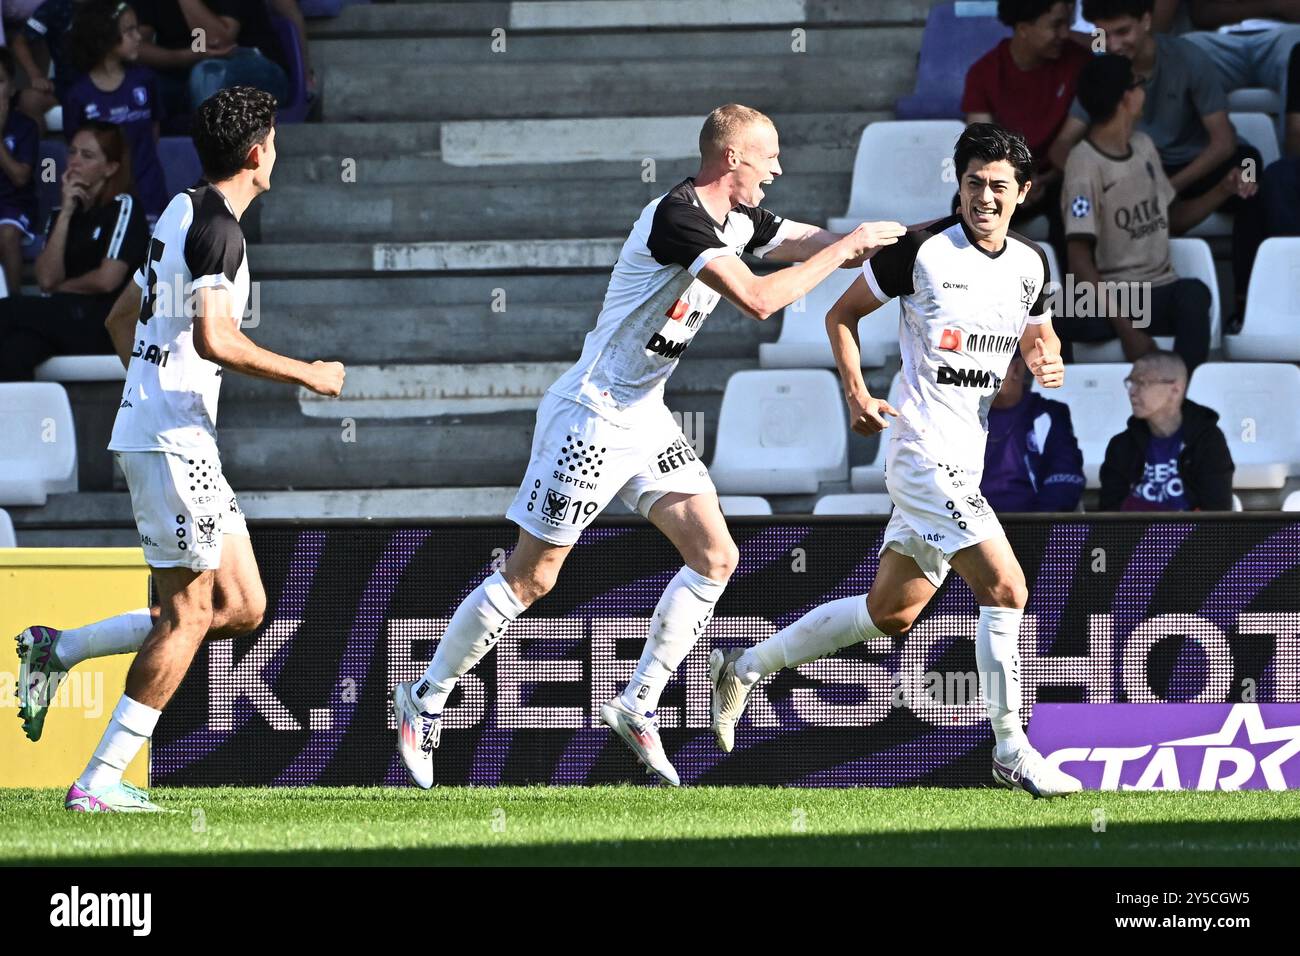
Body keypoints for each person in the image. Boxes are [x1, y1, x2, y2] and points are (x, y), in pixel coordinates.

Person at [390, 103, 904, 789]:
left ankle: (638, 703)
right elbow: (758, 298)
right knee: (531, 578)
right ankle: (422, 700)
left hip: (646, 416)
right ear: (731, 161)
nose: (778, 169)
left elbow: (817, 241)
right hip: (593, 415)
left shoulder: (743, 219)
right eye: (769, 157)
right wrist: (847, 250)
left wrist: (919, 237)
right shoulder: (678, 216)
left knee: (715, 555)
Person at [710, 123, 1084, 799]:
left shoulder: (1032, 264)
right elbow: (841, 315)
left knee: (891, 614)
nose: (985, 197)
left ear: (1023, 194)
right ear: (960, 184)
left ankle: (745, 666)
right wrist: (857, 391)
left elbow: (1039, 328)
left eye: (1000, 187)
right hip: (919, 453)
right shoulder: (922, 251)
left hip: (964, 463)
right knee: (1007, 589)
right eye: (974, 183)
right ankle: (1011, 749)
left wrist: (1045, 354)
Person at [14, 87, 346, 813]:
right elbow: (216, 339)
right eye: (275, 142)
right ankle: (98, 783)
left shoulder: (180, 209)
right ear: (258, 152)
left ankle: (58, 651)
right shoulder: (222, 230)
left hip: (172, 435)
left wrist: (149, 385)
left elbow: (120, 315)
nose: (277, 153)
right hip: (172, 443)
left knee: (244, 605)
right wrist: (310, 374)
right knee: (191, 614)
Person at [1051, 0, 1266, 323]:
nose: (1113, 44)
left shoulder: (1188, 57)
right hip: (1130, 169)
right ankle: (1079, 308)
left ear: (1147, 20)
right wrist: (1102, 180)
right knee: (1064, 195)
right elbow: (1061, 146)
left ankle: (1246, 304)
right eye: (1103, 34)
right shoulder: (1103, 70)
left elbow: (1224, 142)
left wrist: (1162, 188)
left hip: (1190, 167)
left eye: (1123, 31)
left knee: (1250, 167)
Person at [1060, 53, 1244, 368]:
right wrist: (1128, 330)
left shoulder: (1144, 146)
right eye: (1139, 84)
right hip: (1117, 297)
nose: (1144, 91)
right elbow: (1078, 260)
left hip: (1160, 289)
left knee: (1194, 294)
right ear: (1125, 98)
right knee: (1059, 311)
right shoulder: (1084, 164)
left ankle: (1182, 396)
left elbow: (1171, 221)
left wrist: (1224, 190)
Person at [0, 123, 148, 381]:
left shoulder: (124, 206)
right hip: (63, 318)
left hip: (107, 322)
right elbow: (46, 280)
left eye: (87, 156)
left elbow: (107, 280)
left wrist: (61, 287)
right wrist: (67, 212)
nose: (74, 162)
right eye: (72, 152)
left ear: (110, 168)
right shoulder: (60, 214)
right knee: (15, 352)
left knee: (8, 311)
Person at [963, 0, 1092, 254]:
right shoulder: (984, 73)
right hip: (1010, 179)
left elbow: (1076, 139)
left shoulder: (1080, 63)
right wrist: (1018, 181)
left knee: (1070, 199)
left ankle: (1073, 292)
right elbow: (982, 149)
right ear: (1023, 28)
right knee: (965, 202)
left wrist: (1046, 178)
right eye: (1056, 25)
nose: (1065, 34)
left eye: (1067, 23)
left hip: (1062, 176)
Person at [63, 0, 168, 221]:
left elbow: (153, 134)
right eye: (129, 30)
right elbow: (77, 151)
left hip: (150, 195)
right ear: (105, 36)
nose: (138, 37)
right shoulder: (78, 95)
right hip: (101, 202)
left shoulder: (145, 80)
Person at [1099, 349, 1234, 509]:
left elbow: (1217, 514)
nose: (1132, 391)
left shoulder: (1208, 441)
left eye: (1142, 383)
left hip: (1192, 534)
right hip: (1134, 534)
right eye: (1130, 382)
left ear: (1175, 390)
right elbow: (1109, 515)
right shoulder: (1121, 445)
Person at [132, 0, 289, 121]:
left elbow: (218, 41)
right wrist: (182, 57)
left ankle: (212, 159)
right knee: (135, 86)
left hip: (254, 67)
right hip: (185, 71)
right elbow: (135, 46)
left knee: (207, 74)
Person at [980, 353, 1086, 511]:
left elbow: (1066, 477)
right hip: (972, 526)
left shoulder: (1049, 413)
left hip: (1032, 526)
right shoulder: (964, 414)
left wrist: (1036, 526)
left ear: (1016, 369)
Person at [0, 48, 40, 296]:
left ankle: (13, 307)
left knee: (7, 233)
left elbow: (20, 176)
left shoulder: (25, 127)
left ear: (11, 88)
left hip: (15, 206)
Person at [12, 0, 87, 131]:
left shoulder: (111, 6)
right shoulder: (54, 6)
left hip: (107, 81)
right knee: (30, 100)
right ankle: (45, 151)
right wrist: (35, 75)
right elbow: (19, 41)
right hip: (68, 84)